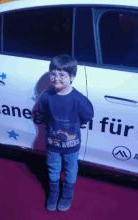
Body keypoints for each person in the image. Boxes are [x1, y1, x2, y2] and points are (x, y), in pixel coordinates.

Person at [38, 54, 94, 212]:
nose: (56, 78)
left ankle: (68, 193)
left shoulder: (79, 99)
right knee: (52, 168)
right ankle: (54, 193)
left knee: (70, 169)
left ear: (72, 77)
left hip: (72, 145)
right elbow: (42, 114)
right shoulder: (47, 96)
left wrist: (76, 126)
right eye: (53, 74)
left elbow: (87, 115)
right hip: (52, 143)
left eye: (61, 75)